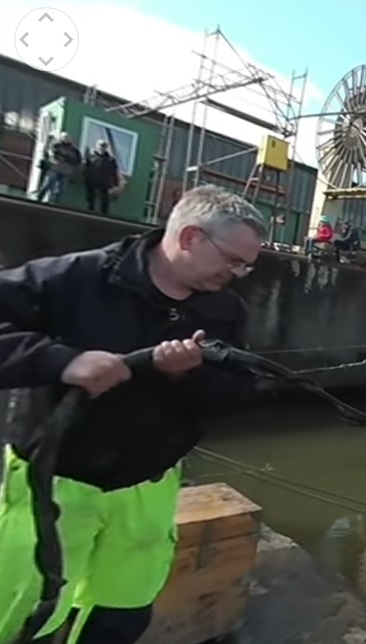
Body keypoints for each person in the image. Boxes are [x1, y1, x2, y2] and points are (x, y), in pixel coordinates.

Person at [0, 184, 264, 644]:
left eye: (247, 265)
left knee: (120, 614)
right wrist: (62, 361)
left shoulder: (225, 311)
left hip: (148, 487)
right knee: (24, 614)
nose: (238, 273)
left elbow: (236, 392)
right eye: (232, 260)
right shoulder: (75, 278)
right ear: (190, 237)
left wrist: (186, 376)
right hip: (56, 481)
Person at [83, 140, 120, 215]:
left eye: (104, 146)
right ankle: (90, 214)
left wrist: (115, 184)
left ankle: (104, 216)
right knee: (90, 198)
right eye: (100, 146)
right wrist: (85, 177)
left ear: (106, 148)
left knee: (105, 200)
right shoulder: (91, 157)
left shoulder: (110, 160)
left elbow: (114, 172)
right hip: (91, 181)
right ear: (97, 146)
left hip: (104, 182)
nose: (102, 148)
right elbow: (85, 168)